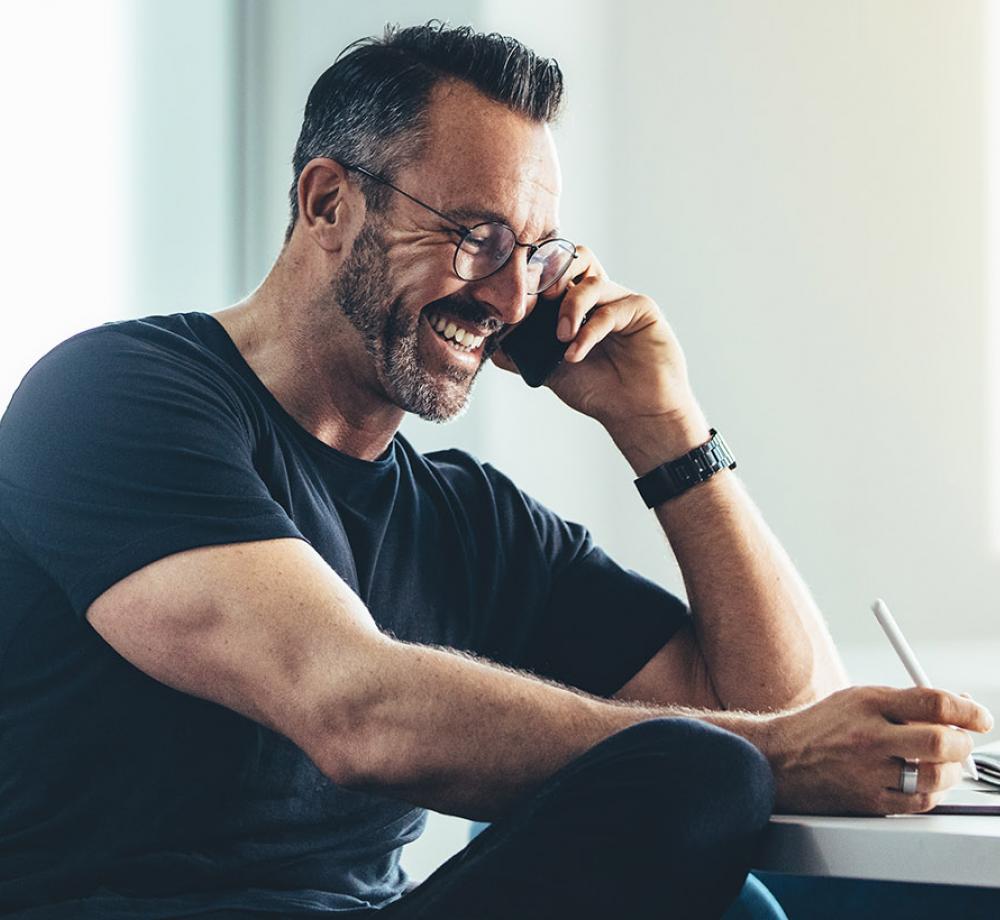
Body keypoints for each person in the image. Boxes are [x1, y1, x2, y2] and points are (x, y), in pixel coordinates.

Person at [0, 21, 991, 920]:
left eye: (538, 253)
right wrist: (765, 754)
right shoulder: (114, 396)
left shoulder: (471, 521)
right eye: (477, 236)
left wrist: (667, 433)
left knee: (714, 820)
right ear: (328, 202)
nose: (511, 293)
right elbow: (351, 706)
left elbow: (781, 707)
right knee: (707, 773)